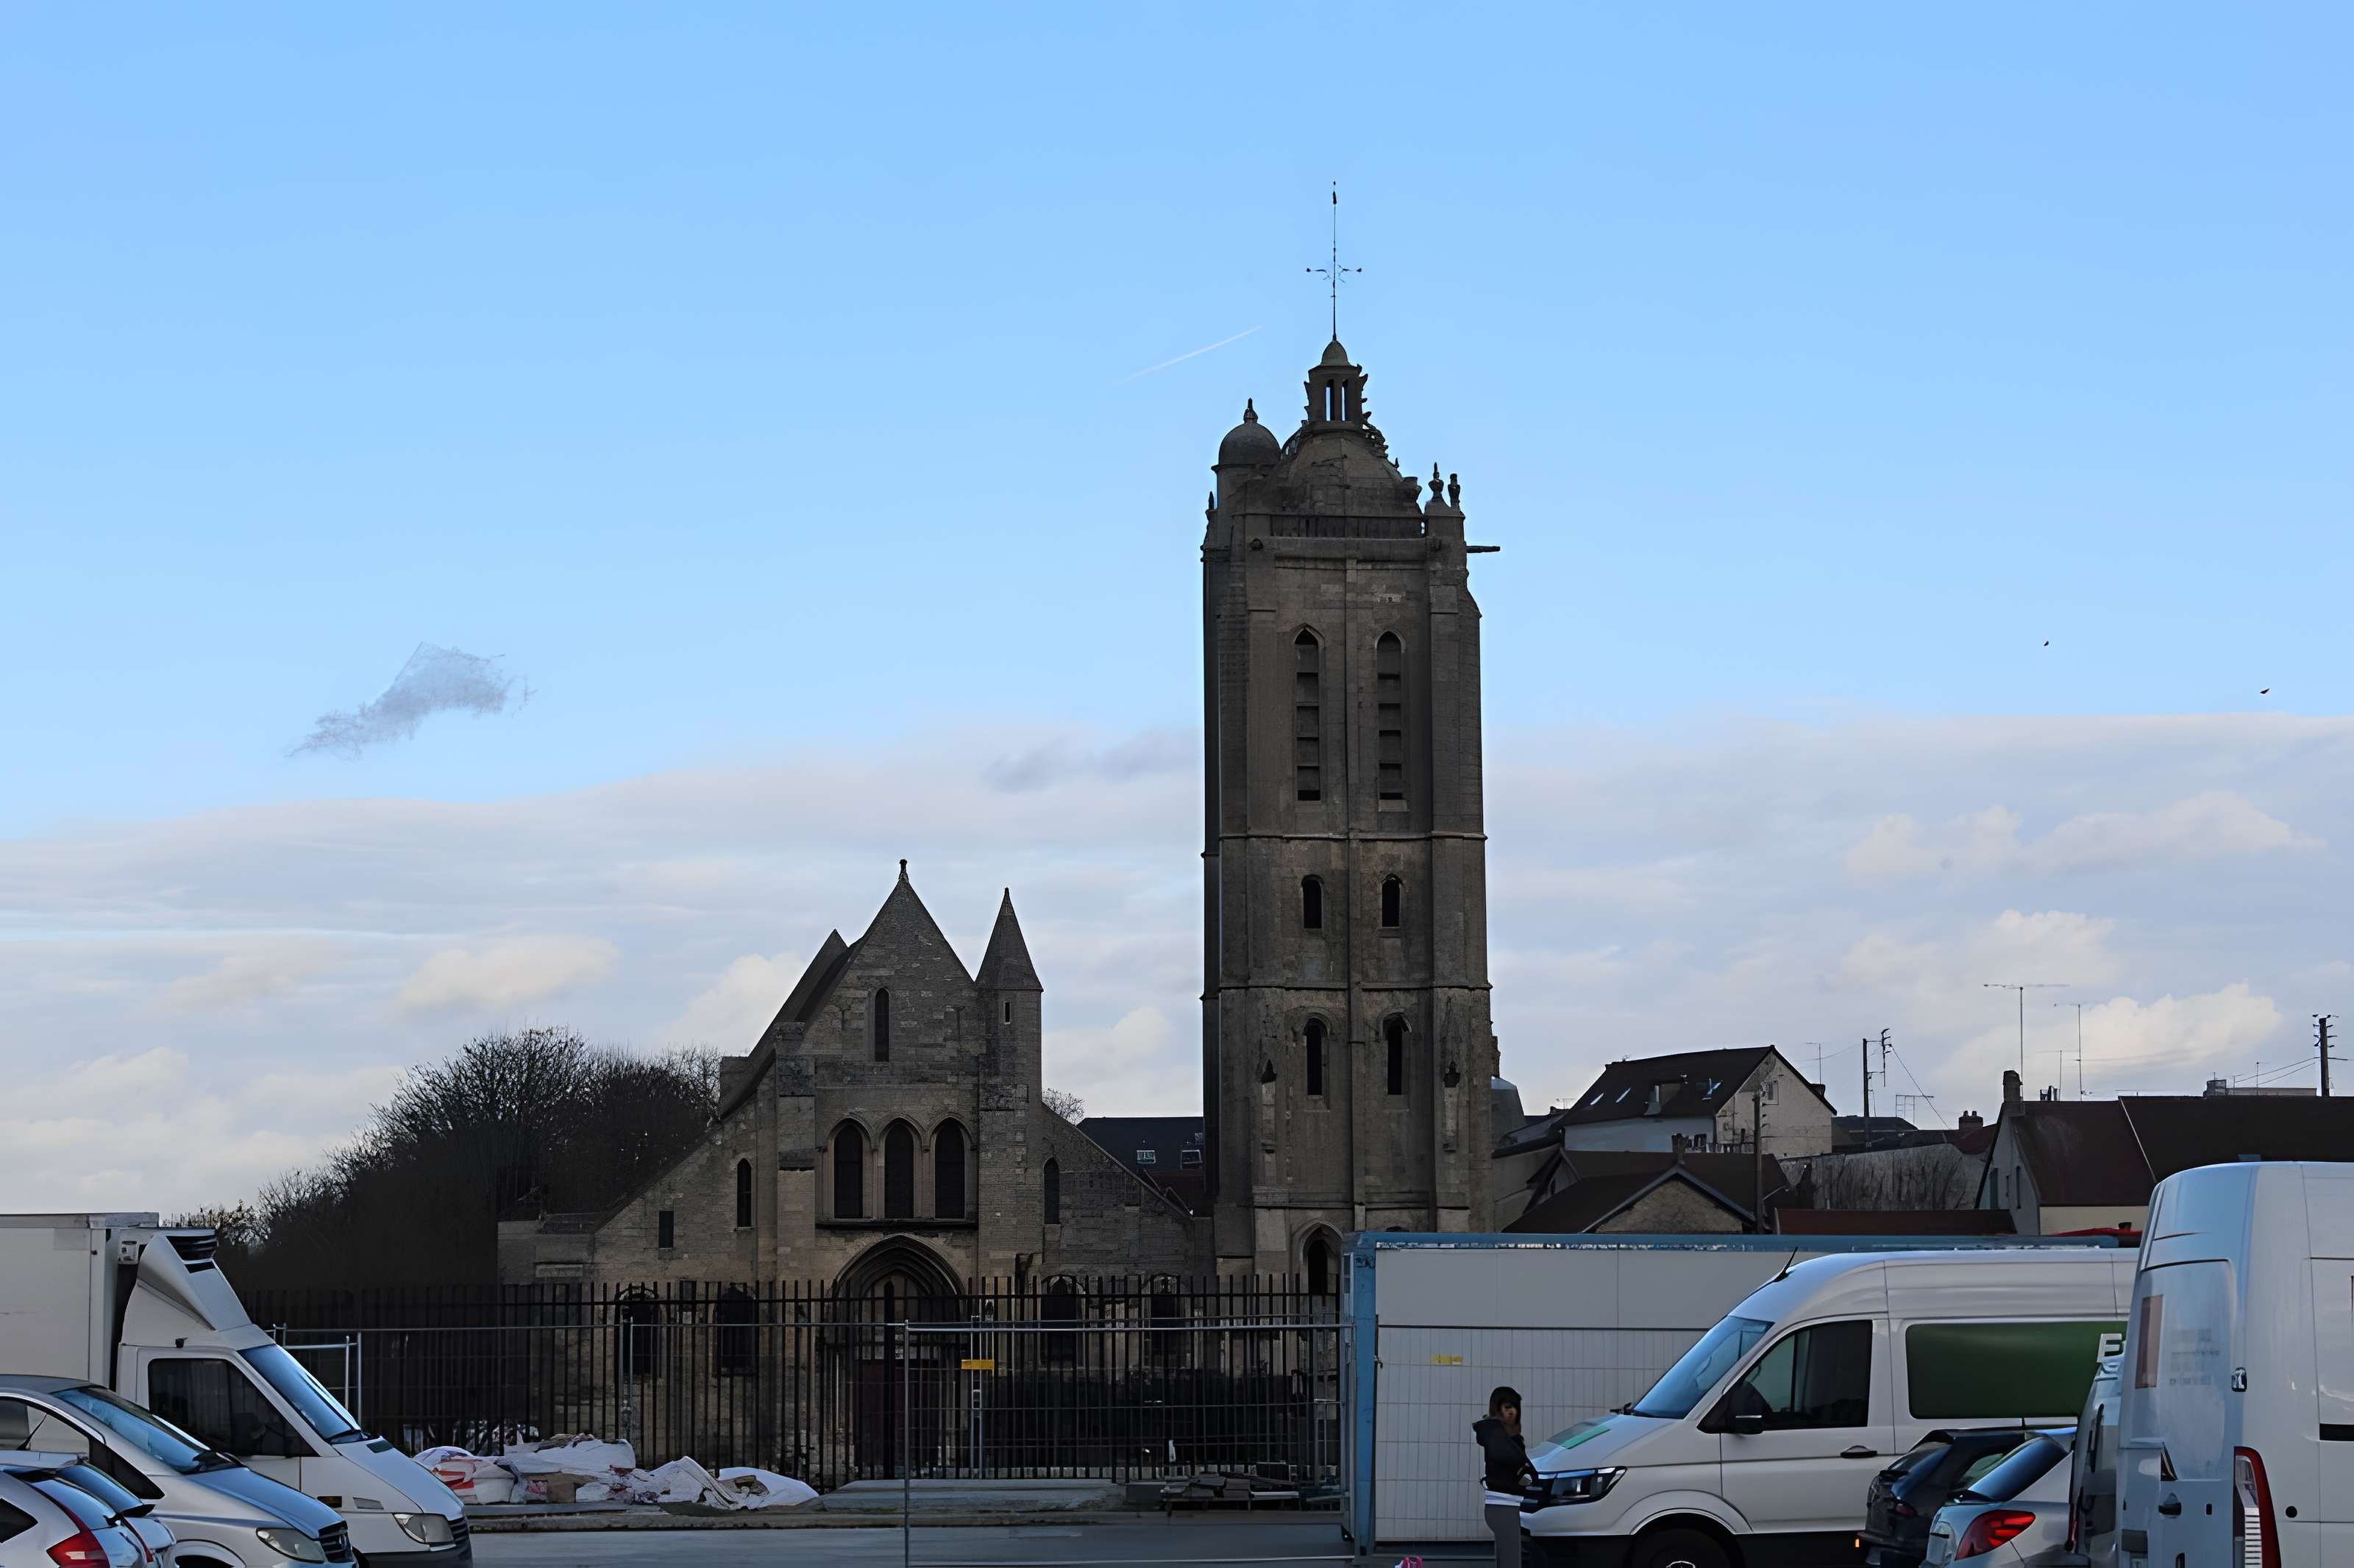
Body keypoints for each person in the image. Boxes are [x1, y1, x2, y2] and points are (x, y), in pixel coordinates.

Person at [1472, 1385, 1535, 1568]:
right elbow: (1511, 1458)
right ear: (1497, 1408)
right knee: (1510, 1560)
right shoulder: (1495, 1433)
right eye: (1507, 1407)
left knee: (1507, 1558)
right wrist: (1526, 1470)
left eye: (1515, 1408)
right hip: (1503, 1503)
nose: (1512, 1412)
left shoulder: (1505, 1435)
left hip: (1507, 1502)